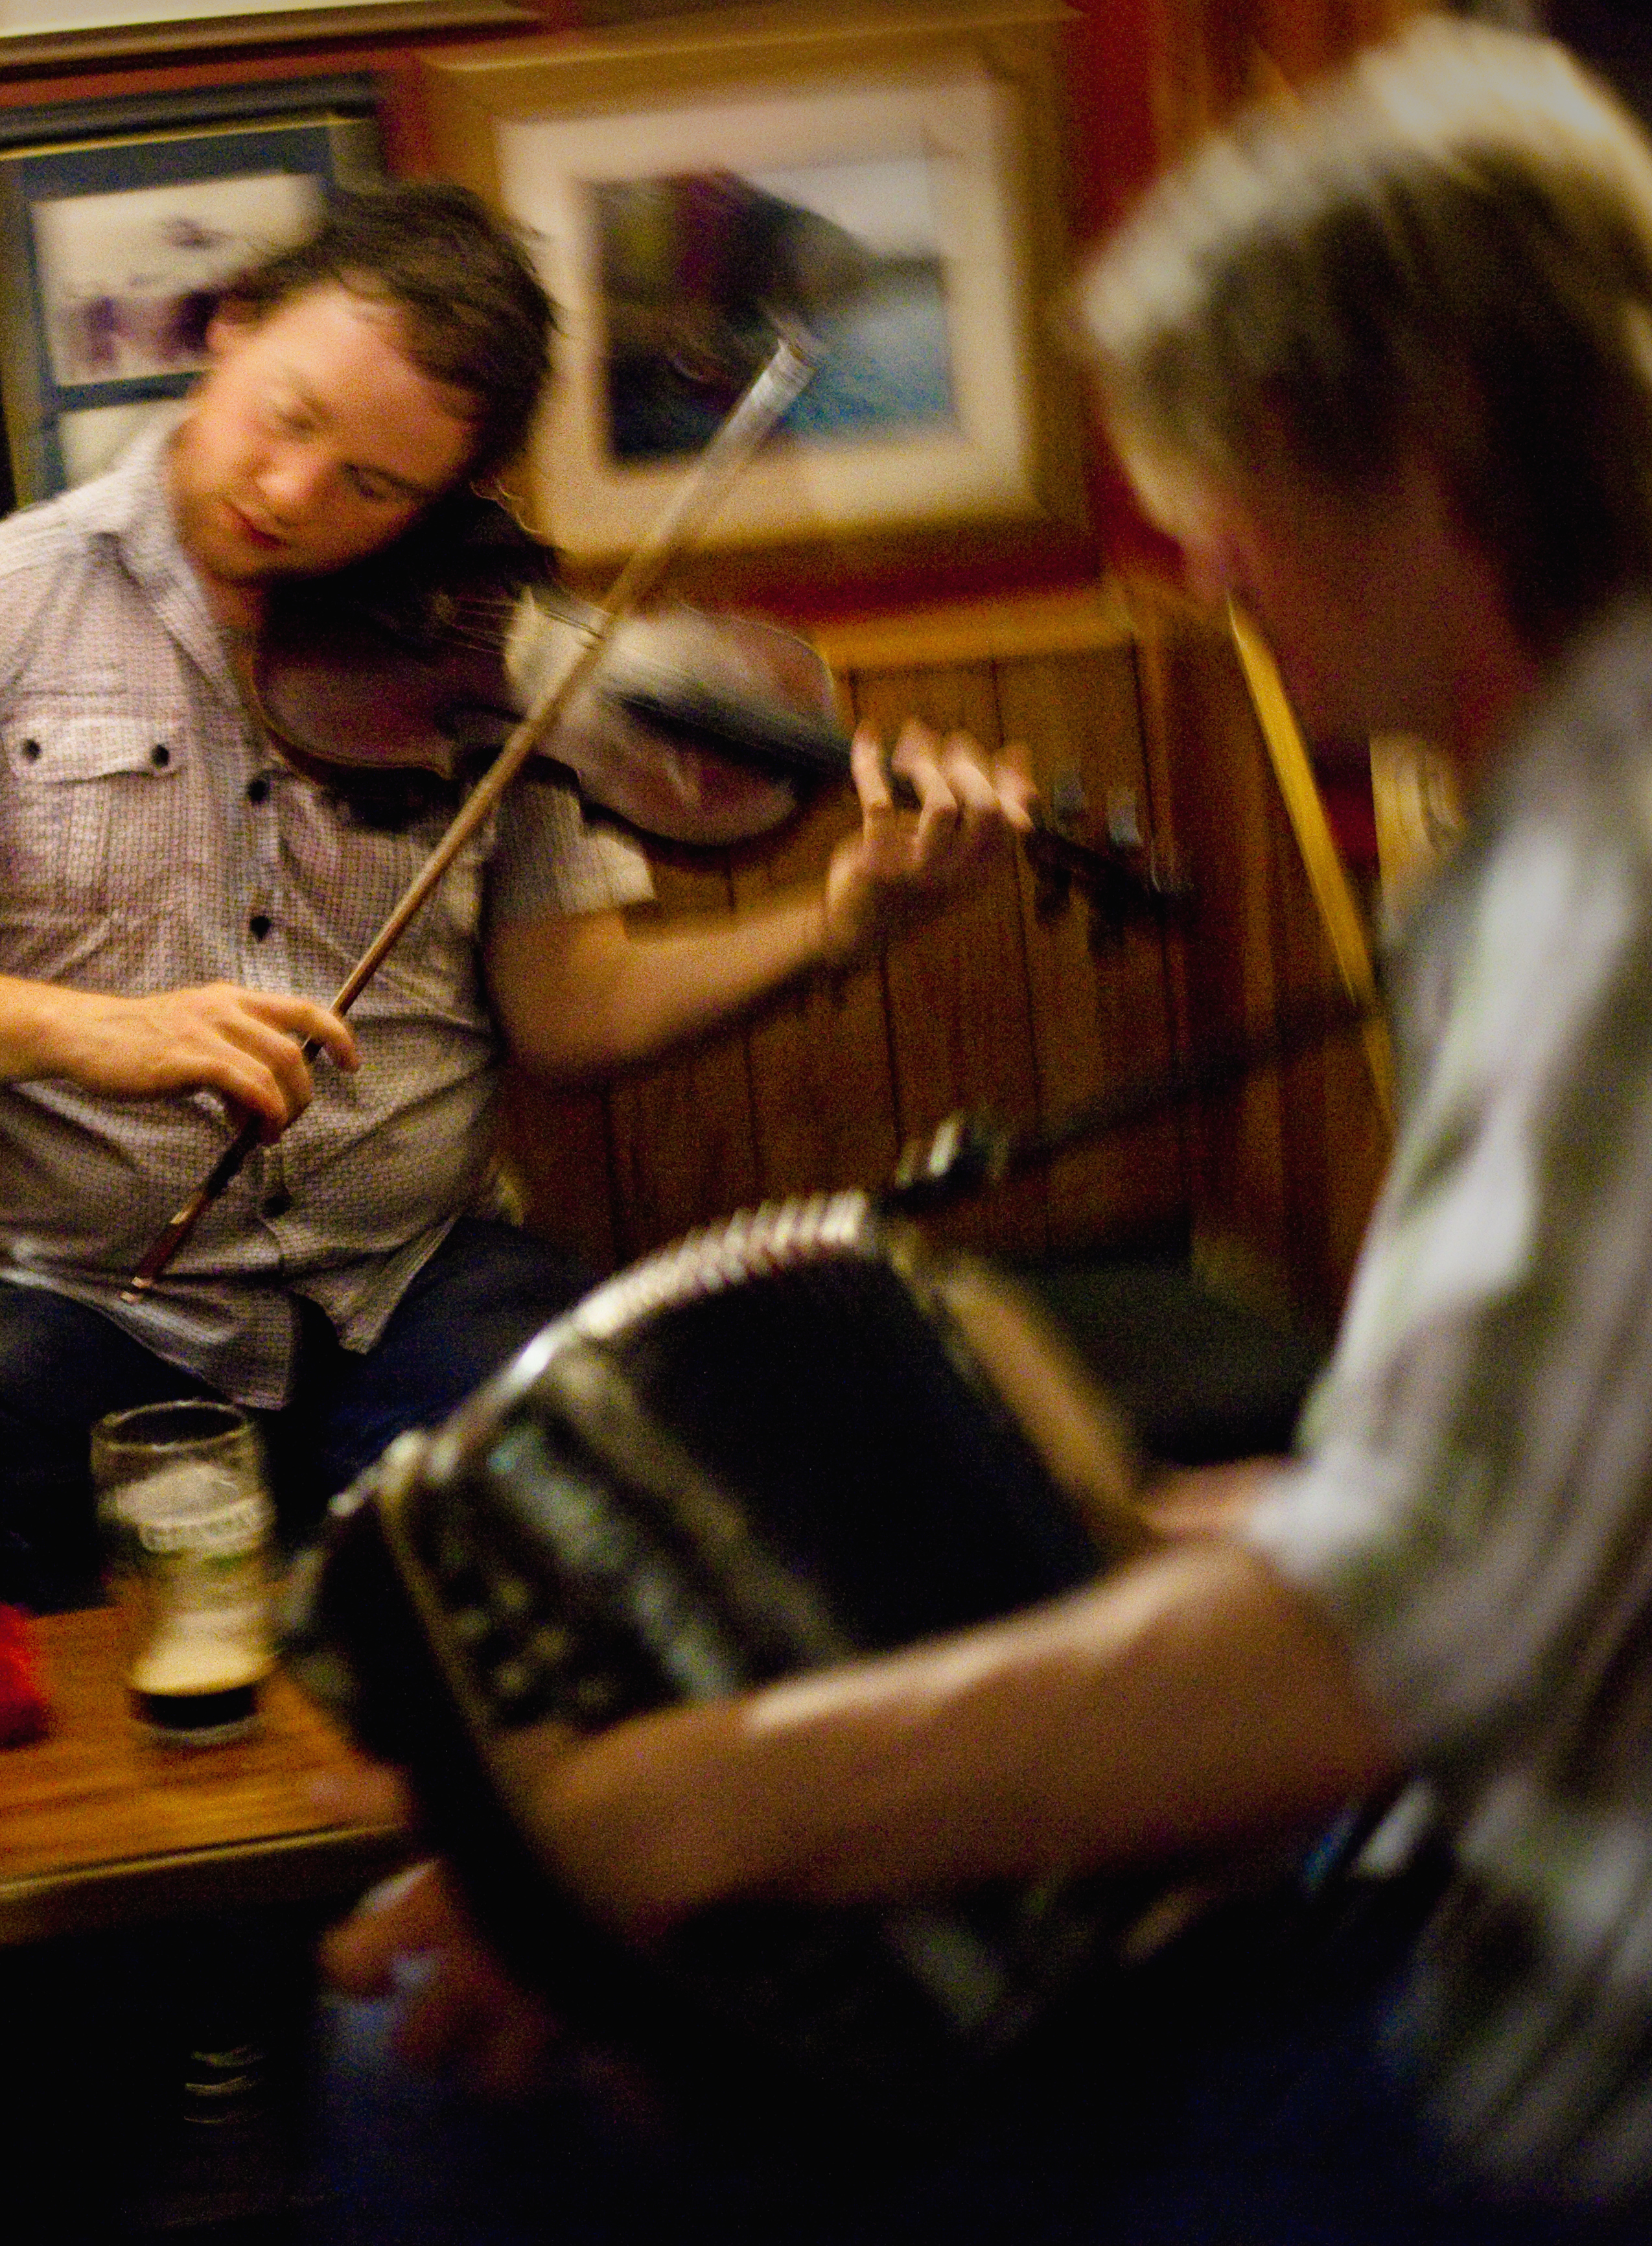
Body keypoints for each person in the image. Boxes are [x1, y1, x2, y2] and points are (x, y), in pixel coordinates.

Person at [315, 23, 1652, 2240]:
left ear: (1418, 451)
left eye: (1233, 480)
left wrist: (658, 1816)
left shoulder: (1599, 880)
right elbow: (1530, 1520)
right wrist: (1130, 1555)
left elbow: (1399, 1635)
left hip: (1538, 2046)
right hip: (1471, 1863)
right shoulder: (1553, 823)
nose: (1205, 562)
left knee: (448, 2080)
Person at [0, 183, 1030, 1607]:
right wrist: (101, 1034)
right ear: (231, 329)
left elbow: (572, 1008)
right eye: (288, 416)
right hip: (87, 1305)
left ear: (443, 498)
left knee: (660, 1455)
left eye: (375, 488)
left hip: (419, 1281)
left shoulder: (489, 651)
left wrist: (840, 922)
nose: (291, 495)